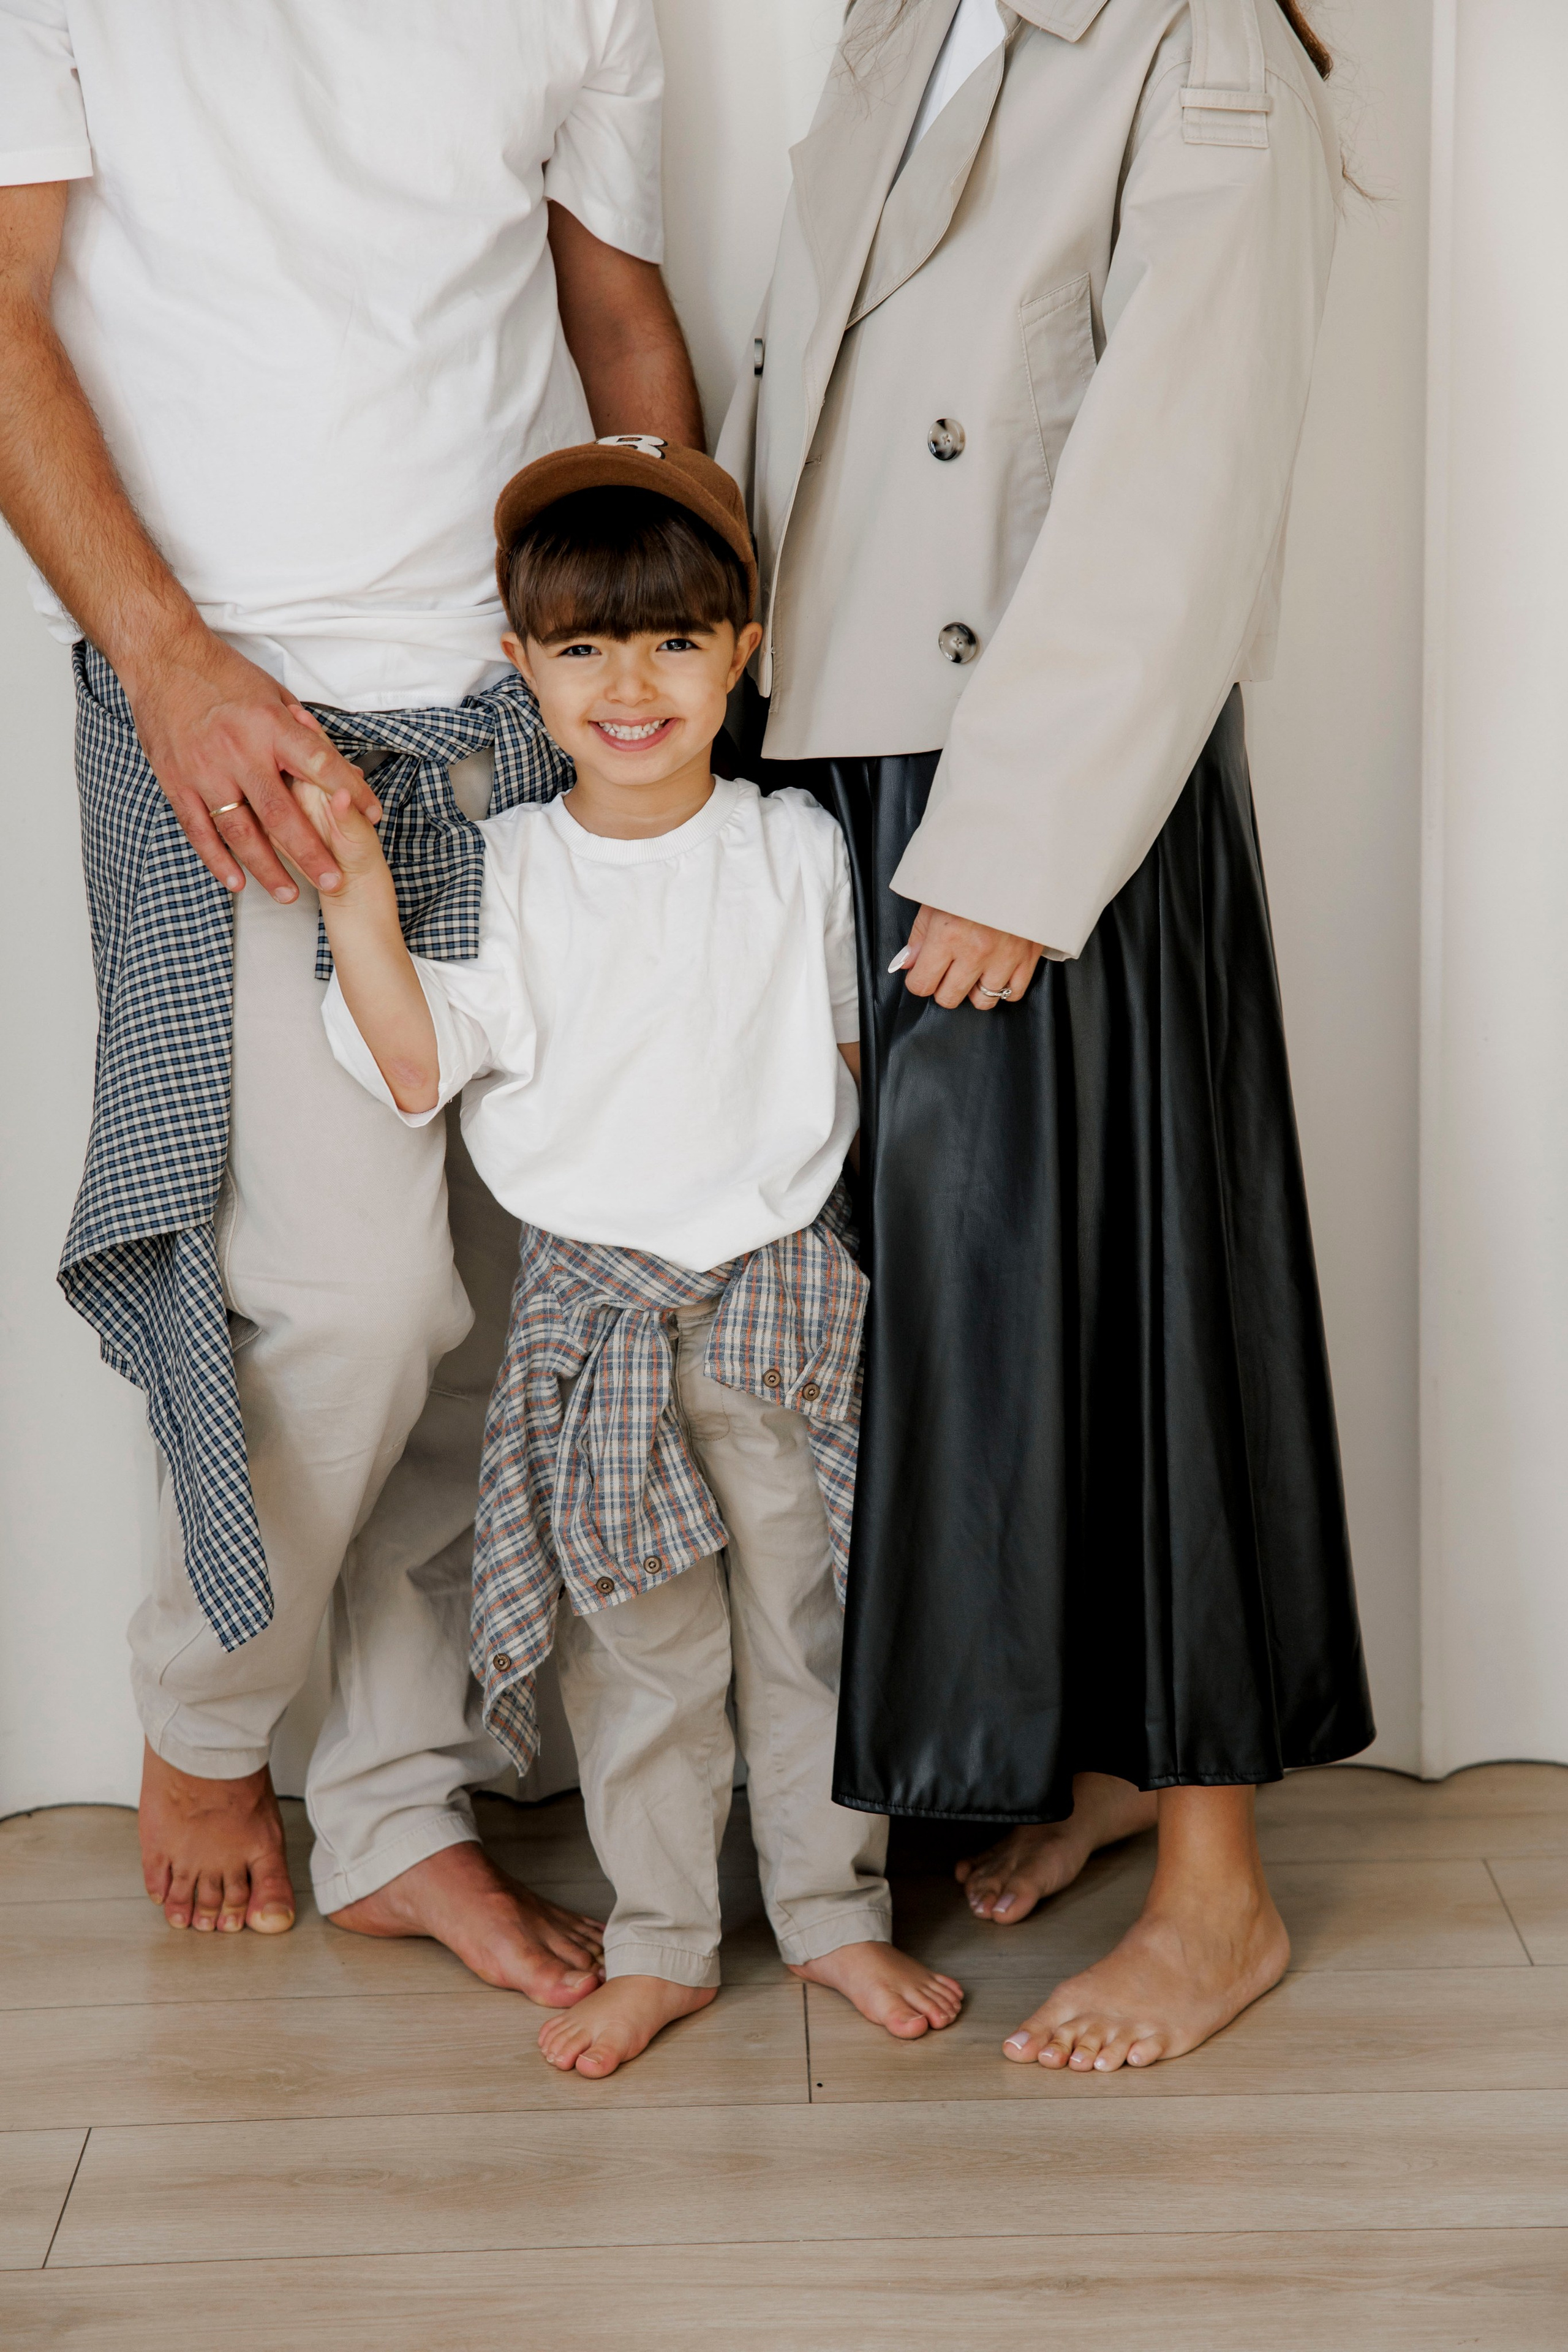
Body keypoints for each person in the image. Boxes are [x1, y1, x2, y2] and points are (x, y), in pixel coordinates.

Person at [0, 1, 704, 1999]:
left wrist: (664, 666)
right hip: (239, 717)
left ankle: (398, 1807)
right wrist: (163, 663)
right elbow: (4, 306)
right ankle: (206, 1726)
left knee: (486, 1299)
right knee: (348, 1294)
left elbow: (619, 319)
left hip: (523, 697)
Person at [720, 0, 1374, 2071]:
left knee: (1153, 1320)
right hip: (839, 750)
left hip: (1045, 781)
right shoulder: (896, 21)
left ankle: (1218, 1884)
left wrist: (1021, 840)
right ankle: (1082, 1759)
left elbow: (1177, 481)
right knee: (961, 1318)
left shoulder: (1211, 52)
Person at [296, 437, 963, 2076]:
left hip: (790, 1300)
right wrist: (359, 891)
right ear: (522, 669)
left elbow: (858, 1063)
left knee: (813, 1629)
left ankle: (833, 1915)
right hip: (599, 1326)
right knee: (643, 1659)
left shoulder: (795, 849)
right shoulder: (511, 873)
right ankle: (665, 1937)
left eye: (675, 638)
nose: (632, 681)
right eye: (584, 646)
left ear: (742, 652)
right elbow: (409, 1064)